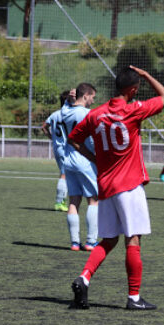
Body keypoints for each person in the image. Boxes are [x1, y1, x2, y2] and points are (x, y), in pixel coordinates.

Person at [67, 66, 164, 310]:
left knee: (109, 239)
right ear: (134, 89)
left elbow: (74, 140)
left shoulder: (95, 114)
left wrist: (95, 159)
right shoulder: (133, 110)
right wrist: (146, 75)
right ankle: (134, 298)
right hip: (129, 185)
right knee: (133, 239)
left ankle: (83, 278)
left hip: (106, 185)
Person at [61, 83, 99, 252]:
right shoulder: (88, 114)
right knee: (93, 200)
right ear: (85, 96)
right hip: (84, 159)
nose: (93, 100)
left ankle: (75, 242)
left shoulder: (65, 112)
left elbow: (66, 108)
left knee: (74, 201)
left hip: (68, 161)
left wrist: (69, 100)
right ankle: (91, 242)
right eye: (92, 97)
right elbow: (90, 140)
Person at [42, 91, 71, 212]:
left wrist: (51, 137)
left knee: (64, 173)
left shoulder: (55, 114)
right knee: (65, 175)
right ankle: (59, 202)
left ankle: (62, 200)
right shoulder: (71, 115)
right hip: (67, 148)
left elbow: (44, 126)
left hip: (57, 147)